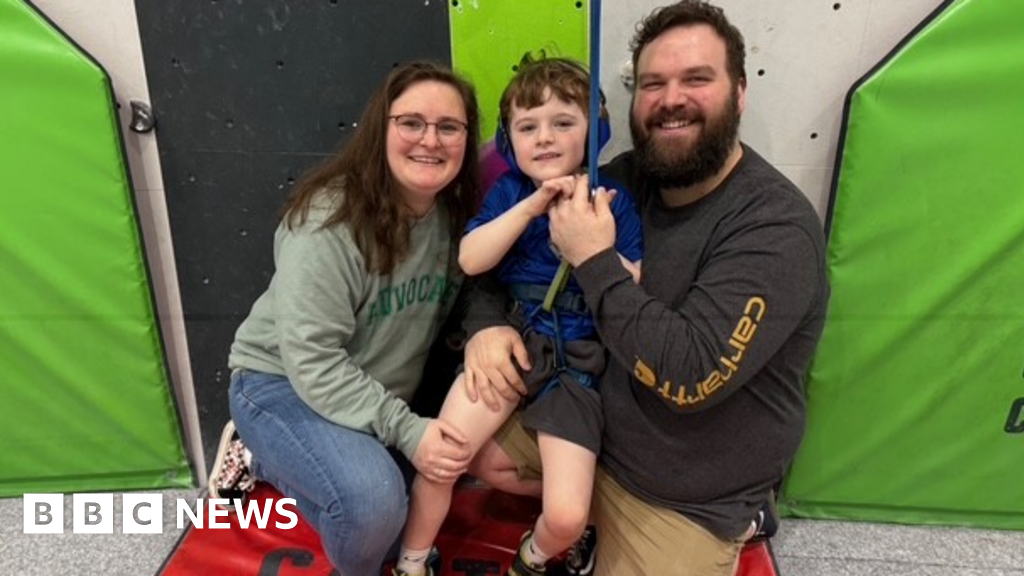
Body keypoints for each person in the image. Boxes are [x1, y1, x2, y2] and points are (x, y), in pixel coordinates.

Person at [460, 2, 830, 575]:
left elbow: (690, 376)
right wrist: (485, 327)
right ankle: (581, 517)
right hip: (592, 421)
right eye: (653, 83)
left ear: (739, 93)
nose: (671, 99)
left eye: (696, 79)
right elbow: (498, 260)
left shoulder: (774, 229)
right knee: (469, 449)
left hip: (682, 490)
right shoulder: (618, 179)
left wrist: (593, 259)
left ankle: (744, 514)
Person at [207, 61, 482, 576]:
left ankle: (272, 461)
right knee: (374, 507)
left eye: (449, 127)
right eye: (411, 123)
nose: (431, 140)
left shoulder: (454, 218)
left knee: (410, 517)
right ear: (381, 129)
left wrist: (493, 333)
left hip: (369, 392)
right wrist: (407, 431)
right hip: (281, 382)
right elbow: (313, 360)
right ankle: (257, 448)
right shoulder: (329, 220)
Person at [394, 56, 643, 576]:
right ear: (510, 140)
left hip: (576, 365)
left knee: (568, 514)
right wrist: (530, 209)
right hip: (515, 343)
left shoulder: (612, 201)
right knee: (442, 457)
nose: (545, 138)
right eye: (528, 127)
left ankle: (532, 557)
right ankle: (413, 561)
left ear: (593, 132)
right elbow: (471, 258)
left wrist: (592, 247)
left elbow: (634, 282)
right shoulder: (509, 192)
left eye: (563, 123)